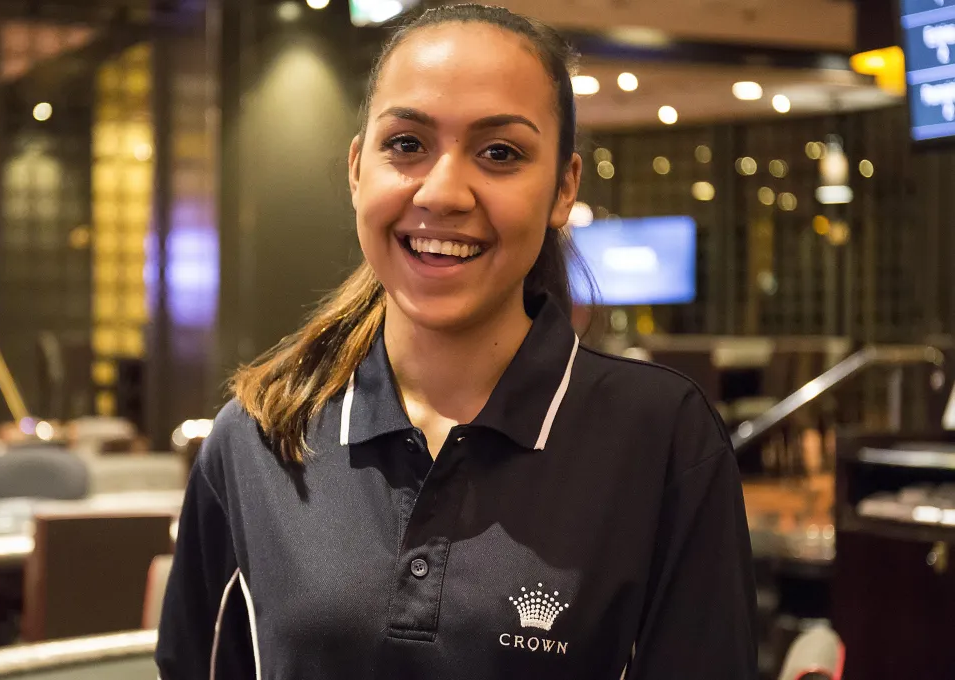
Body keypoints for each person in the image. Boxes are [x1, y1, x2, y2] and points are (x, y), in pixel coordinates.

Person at [156, 4, 756, 679]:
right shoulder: (259, 439)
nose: (442, 193)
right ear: (359, 170)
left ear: (563, 190)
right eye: (407, 145)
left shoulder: (661, 441)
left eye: (500, 153)